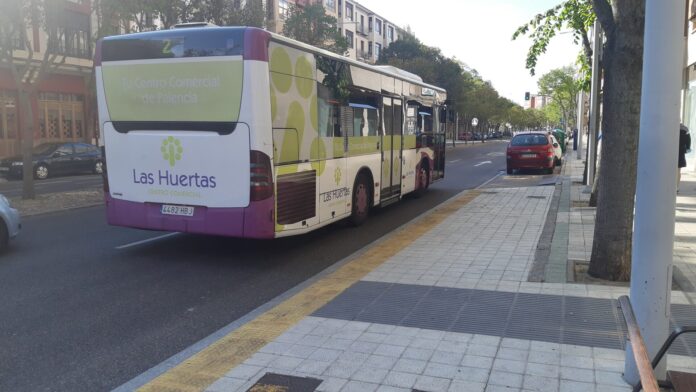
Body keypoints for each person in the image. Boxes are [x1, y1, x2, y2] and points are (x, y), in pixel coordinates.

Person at [678, 123, 691, 193]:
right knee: (678, 170)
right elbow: (688, 140)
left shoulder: (670, 127)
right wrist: (688, 148)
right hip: (681, 151)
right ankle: (676, 187)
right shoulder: (685, 129)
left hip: (671, 151)